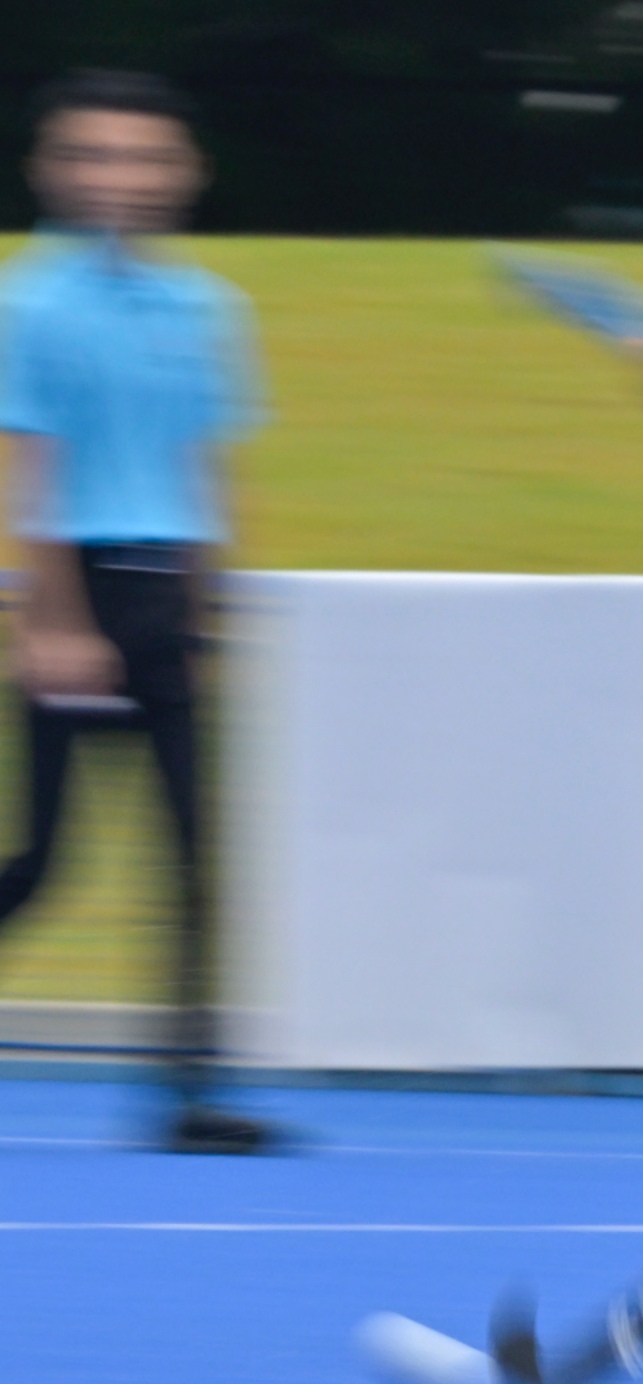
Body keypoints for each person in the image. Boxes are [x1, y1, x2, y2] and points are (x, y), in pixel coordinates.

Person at [0, 70, 277, 1154]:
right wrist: (52, 621)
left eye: (144, 155)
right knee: (45, 861)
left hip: (167, 597)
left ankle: (190, 1093)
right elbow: (29, 468)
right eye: (93, 154)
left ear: (186, 172)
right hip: (79, 587)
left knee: (198, 859)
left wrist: (206, 617)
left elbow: (203, 467)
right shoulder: (32, 302)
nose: (119, 176)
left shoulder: (208, 308)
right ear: (50, 170)